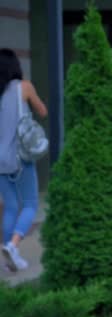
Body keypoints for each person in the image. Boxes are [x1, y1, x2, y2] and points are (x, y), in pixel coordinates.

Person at [0, 48, 47, 271]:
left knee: (10, 206)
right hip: (20, 158)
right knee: (30, 204)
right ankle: (13, 244)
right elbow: (43, 111)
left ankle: (11, 261)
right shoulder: (24, 87)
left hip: (0, 161)